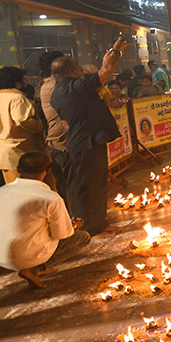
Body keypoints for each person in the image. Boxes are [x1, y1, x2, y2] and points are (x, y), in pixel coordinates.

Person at [0, 150, 90, 289]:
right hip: (23, 257)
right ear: (48, 170)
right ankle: (36, 269)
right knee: (83, 238)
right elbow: (61, 234)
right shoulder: (50, 198)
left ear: (18, 169)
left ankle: (30, 266)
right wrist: (73, 226)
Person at [51, 40, 124, 236]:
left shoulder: (64, 89)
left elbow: (105, 71)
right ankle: (86, 227)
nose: (82, 71)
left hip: (89, 140)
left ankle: (98, 223)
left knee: (97, 183)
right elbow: (107, 70)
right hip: (84, 143)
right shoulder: (72, 88)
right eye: (79, 68)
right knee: (85, 187)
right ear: (72, 71)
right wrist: (116, 50)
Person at [0, 66, 43, 183]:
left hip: (3, 153)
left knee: (13, 191)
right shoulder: (17, 98)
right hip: (19, 153)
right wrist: (40, 126)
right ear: (17, 83)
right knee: (27, 192)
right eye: (24, 80)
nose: (26, 82)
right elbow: (22, 120)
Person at [38, 50, 72, 205]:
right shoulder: (54, 86)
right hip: (61, 143)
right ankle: (74, 221)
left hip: (63, 142)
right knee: (70, 185)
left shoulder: (54, 85)